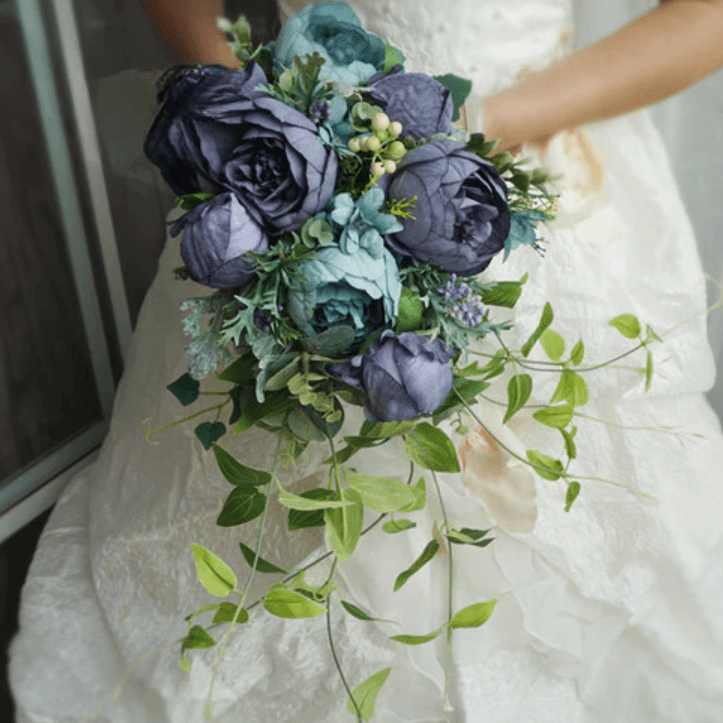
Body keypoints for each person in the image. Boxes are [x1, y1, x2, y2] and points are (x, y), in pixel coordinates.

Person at [10, 1, 723, 721]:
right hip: (302, 180)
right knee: (278, 535)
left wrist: (482, 125)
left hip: (541, 168)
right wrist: (265, 135)